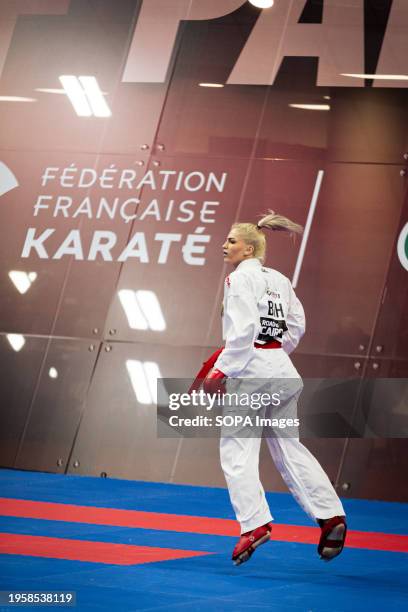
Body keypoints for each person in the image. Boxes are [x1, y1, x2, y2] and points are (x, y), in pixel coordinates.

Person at [202, 211, 347, 566]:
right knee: (289, 448)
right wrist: (277, 353)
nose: (225, 245)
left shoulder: (239, 279)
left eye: (232, 240)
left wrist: (221, 370)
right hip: (281, 369)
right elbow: (296, 324)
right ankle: (330, 516)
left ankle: (254, 525)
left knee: (237, 450)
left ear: (249, 249)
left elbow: (244, 328)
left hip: (250, 372)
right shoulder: (280, 279)